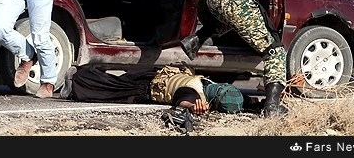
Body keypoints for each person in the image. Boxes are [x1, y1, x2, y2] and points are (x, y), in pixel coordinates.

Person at [59, 64, 259, 116]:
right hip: (143, 87)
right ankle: (75, 80)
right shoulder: (194, 92)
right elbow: (182, 99)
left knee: (112, 81)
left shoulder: (207, 84)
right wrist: (192, 107)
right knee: (107, 89)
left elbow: (245, 100)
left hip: (154, 74)